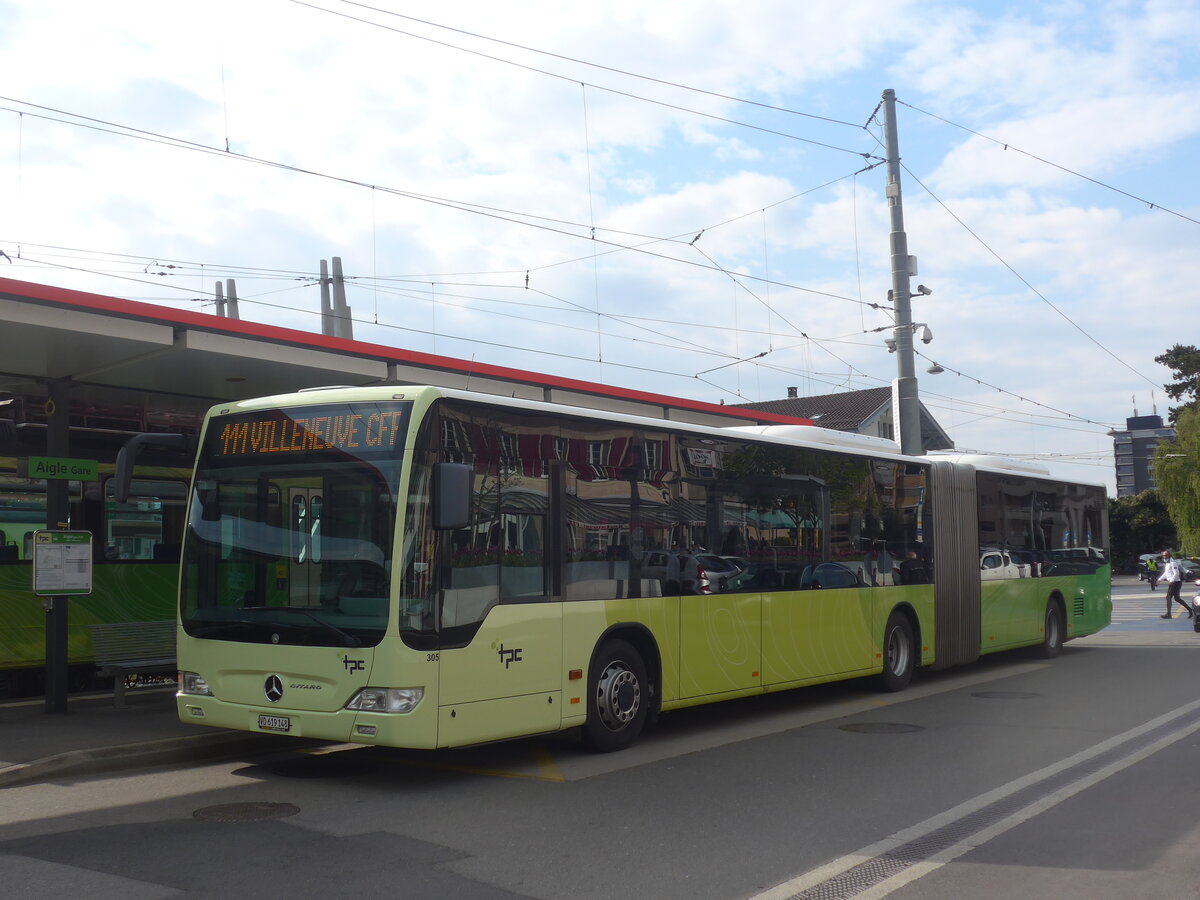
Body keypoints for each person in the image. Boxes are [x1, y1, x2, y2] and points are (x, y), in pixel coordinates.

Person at [1159, 550, 1192, 619]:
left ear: (1169, 555)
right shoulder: (1167, 563)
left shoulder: (1173, 563)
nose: (1164, 557)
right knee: (1177, 598)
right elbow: (1166, 573)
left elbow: (1176, 573)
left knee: (1168, 597)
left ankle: (1168, 614)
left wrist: (1172, 580)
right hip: (1175, 582)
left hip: (1175, 583)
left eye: (1166, 555)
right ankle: (1190, 610)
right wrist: (1159, 579)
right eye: (1163, 555)